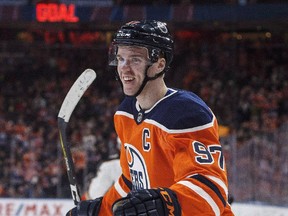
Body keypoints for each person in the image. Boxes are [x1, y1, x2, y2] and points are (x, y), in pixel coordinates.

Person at [66, 20, 234, 216]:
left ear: (159, 64)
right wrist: (102, 211)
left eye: (135, 60)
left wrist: (166, 204)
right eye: (120, 59)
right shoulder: (125, 114)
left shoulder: (185, 113)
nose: (124, 68)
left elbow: (210, 190)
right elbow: (131, 181)